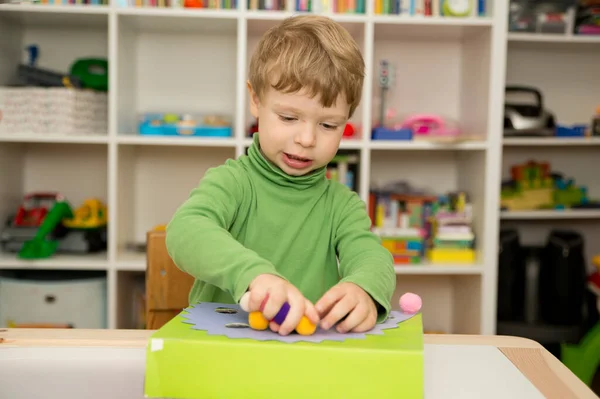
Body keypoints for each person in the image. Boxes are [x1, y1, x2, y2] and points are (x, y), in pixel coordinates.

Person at [165, 14, 396, 337]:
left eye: (328, 125)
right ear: (256, 101)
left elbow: (372, 256)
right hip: (222, 358)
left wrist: (365, 289)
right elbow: (185, 232)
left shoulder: (342, 205)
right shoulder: (232, 182)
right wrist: (254, 276)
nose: (307, 139)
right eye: (289, 117)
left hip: (306, 364)